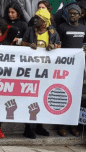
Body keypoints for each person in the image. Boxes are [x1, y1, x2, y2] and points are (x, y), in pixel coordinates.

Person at [20, 9, 58, 139]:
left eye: (38, 18)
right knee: (30, 99)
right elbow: (22, 43)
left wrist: (53, 46)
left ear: (44, 22)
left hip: (46, 71)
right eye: (35, 17)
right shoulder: (30, 30)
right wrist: (28, 45)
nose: (35, 20)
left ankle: (39, 125)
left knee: (42, 98)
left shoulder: (52, 32)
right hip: (31, 71)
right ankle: (28, 128)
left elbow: (59, 44)